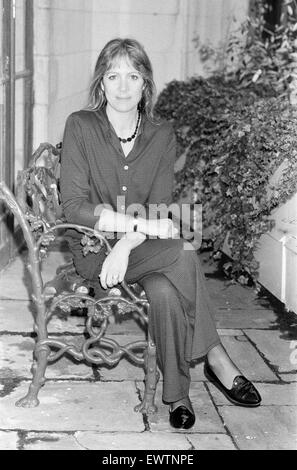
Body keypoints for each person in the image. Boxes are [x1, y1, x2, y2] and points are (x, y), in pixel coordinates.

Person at [60, 38, 261, 430]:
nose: (122, 87)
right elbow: (76, 208)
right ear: (101, 83)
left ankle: (178, 396)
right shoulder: (80, 125)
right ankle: (216, 357)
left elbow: (157, 205)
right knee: (183, 251)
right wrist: (132, 233)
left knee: (166, 288)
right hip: (93, 251)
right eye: (113, 76)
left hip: (139, 250)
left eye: (132, 76)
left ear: (145, 83)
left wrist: (129, 241)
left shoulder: (161, 134)